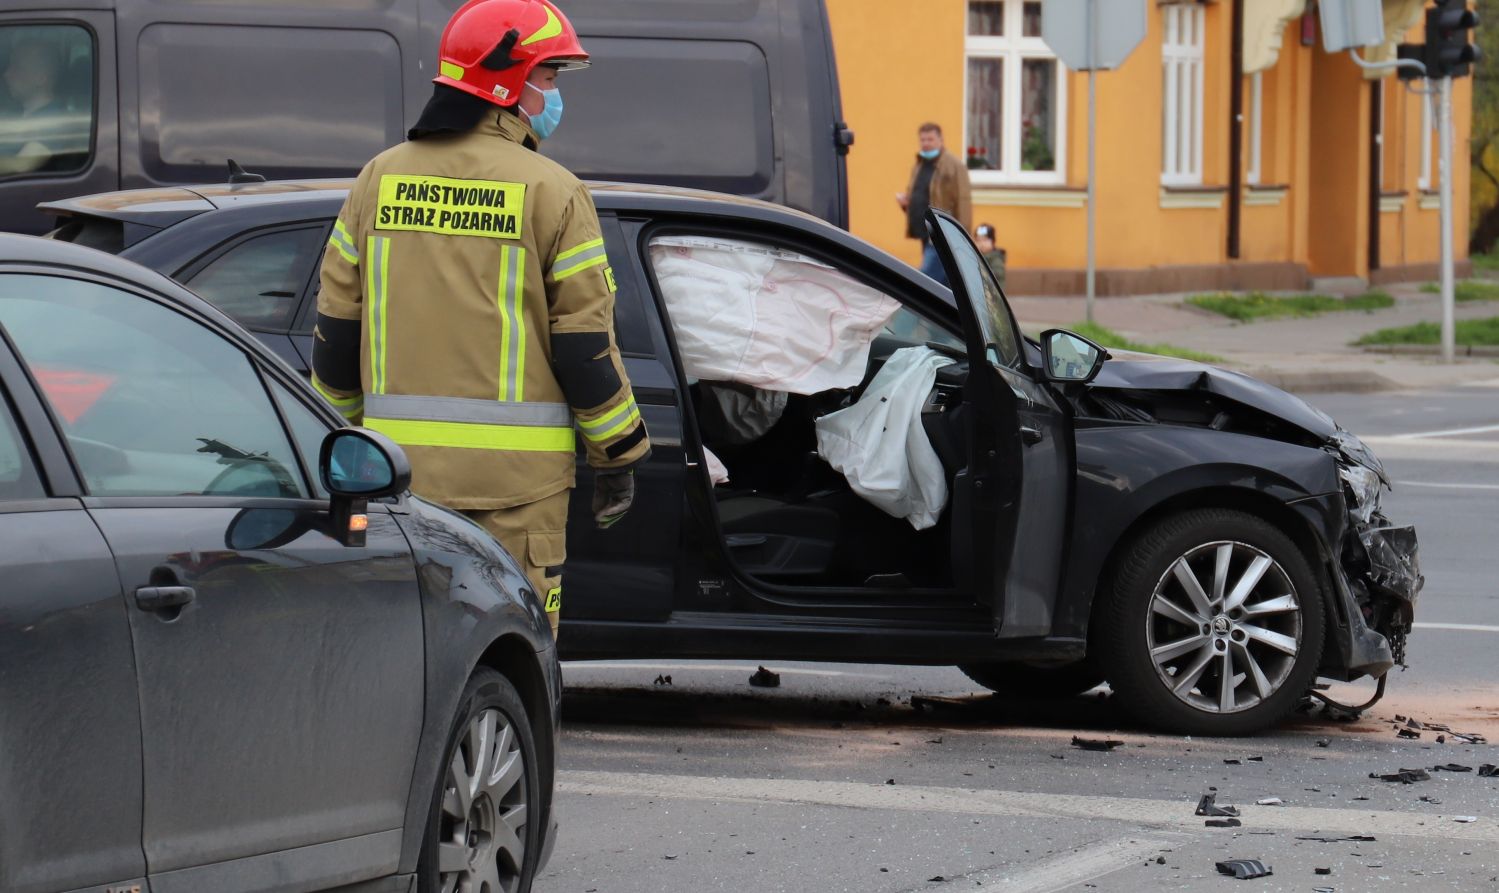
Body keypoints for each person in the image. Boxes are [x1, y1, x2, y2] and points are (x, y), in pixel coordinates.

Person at [311, 0, 650, 639]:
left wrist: (341, 447)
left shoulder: (377, 180)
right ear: (507, 85)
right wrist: (619, 454)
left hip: (396, 486)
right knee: (511, 656)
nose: (553, 95)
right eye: (548, 78)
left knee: (405, 659)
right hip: (517, 496)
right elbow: (583, 347)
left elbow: (335, 335)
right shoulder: (554, 191)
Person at [895, 122, 971, 287]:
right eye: (922, 140)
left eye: (930, 139)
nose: (926, 143)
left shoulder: (954, 165)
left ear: (940, 140)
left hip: (941, 232)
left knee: (926, 280)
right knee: (946, 281)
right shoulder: (920, 163)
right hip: (924, 231)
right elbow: (919, 192)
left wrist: (962, 237)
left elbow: (963, 201)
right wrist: (907, 203)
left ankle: (913, 309)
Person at [0, 41, 66, 175]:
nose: (6, 74)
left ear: (40, 78)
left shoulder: (55, 121)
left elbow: (21, 165)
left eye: (17, 68)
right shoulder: (16, 110)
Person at [975, 223, 1006, 289]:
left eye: (985, 240)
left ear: (993, 241)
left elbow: (997, 275)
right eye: (978, 240)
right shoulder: (978, 256)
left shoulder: (996, 259)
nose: (981, 243)